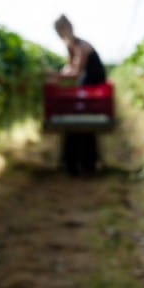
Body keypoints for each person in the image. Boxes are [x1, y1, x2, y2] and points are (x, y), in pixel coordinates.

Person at [52, 14, 106, 174]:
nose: (61, 35)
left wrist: (57, 76)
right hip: (87, 90)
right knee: (75, 127)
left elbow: (76, 72)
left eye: (61, 31)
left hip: (93, 90)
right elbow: (70, 69)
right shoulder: (72, 47)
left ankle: (83, 163)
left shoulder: (82, 46)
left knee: (82, 125)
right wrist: (61, 74)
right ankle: (78, 163)